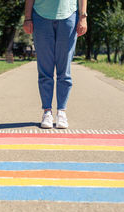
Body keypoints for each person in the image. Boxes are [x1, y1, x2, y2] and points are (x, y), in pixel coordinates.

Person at [23, 0, 87, 129]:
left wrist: (83, 17)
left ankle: (61, 112)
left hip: (69, 16)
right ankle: (47, 112)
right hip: (41, 17)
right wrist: (27, 18)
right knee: (45, 70)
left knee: (64, 71)